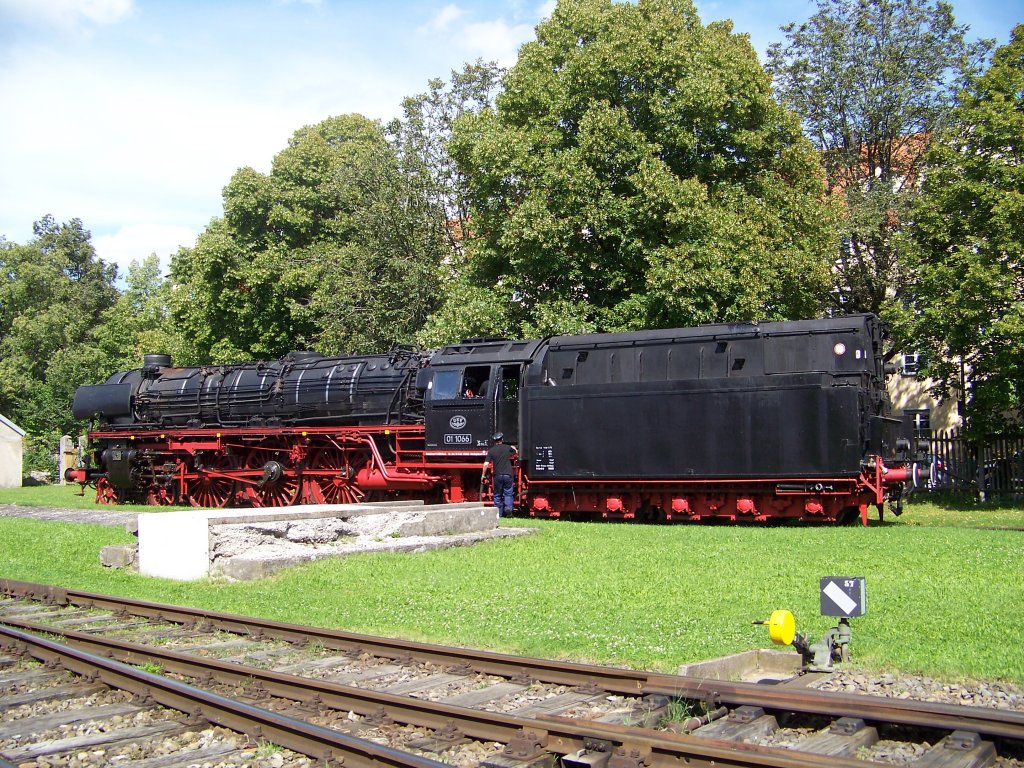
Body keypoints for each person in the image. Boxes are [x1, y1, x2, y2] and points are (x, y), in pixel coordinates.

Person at [482, 432, 517, 517]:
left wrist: (483, 475)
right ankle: (508, 508)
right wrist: (513, 448)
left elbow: (486, 464)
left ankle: (498, 513)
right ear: (502, 439)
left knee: (497, 494)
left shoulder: (491, 451)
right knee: (508, 493)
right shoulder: (507, 448)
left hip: (497, 475)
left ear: (495, 441)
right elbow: (515, 452)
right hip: (508, 474)